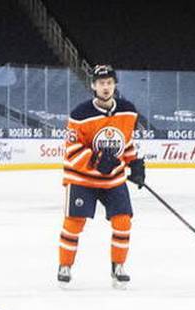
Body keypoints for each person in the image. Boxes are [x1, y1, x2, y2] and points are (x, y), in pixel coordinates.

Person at [56, 64, 145, 289]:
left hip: (112, 179)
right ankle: (65, 266)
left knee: (123, 220)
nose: (105, 87)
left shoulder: (128, 111)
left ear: (114, 85)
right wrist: (96, 161)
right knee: (74, 223)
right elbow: (71, 149)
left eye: (109, 83)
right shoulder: (80, 114)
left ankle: (118, 267)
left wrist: (134, 163)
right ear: (94, 86)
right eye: (101, 83)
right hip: (81, 178)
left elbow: (126, 143)